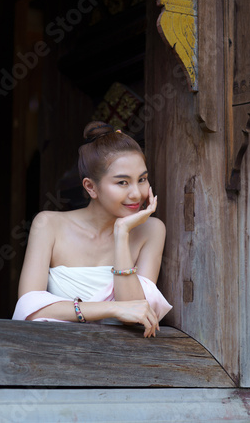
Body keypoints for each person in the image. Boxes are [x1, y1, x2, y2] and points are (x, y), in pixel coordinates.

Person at [12, 121, 172, 337]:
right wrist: (112, 308)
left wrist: (122, 234)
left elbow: (136, 312)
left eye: (142, 179)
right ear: (90, 187)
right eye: (122, 183)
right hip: (53, 353)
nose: (137, 193)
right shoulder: (48, 225)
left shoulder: (151, 230)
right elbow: (28, 307)